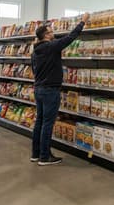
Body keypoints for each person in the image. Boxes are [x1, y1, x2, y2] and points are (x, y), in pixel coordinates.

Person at [31, 13, 90, 166]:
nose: (54, 34)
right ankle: (45, 157)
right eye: (51, 32)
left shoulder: (35, 51)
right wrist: (82, 22)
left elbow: (34, 70)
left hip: (38, 89)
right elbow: (71, 37)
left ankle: (35, 154)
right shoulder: (51, 46)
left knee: (40, 121)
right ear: (46, 35)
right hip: (50, 90)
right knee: (47, 124)